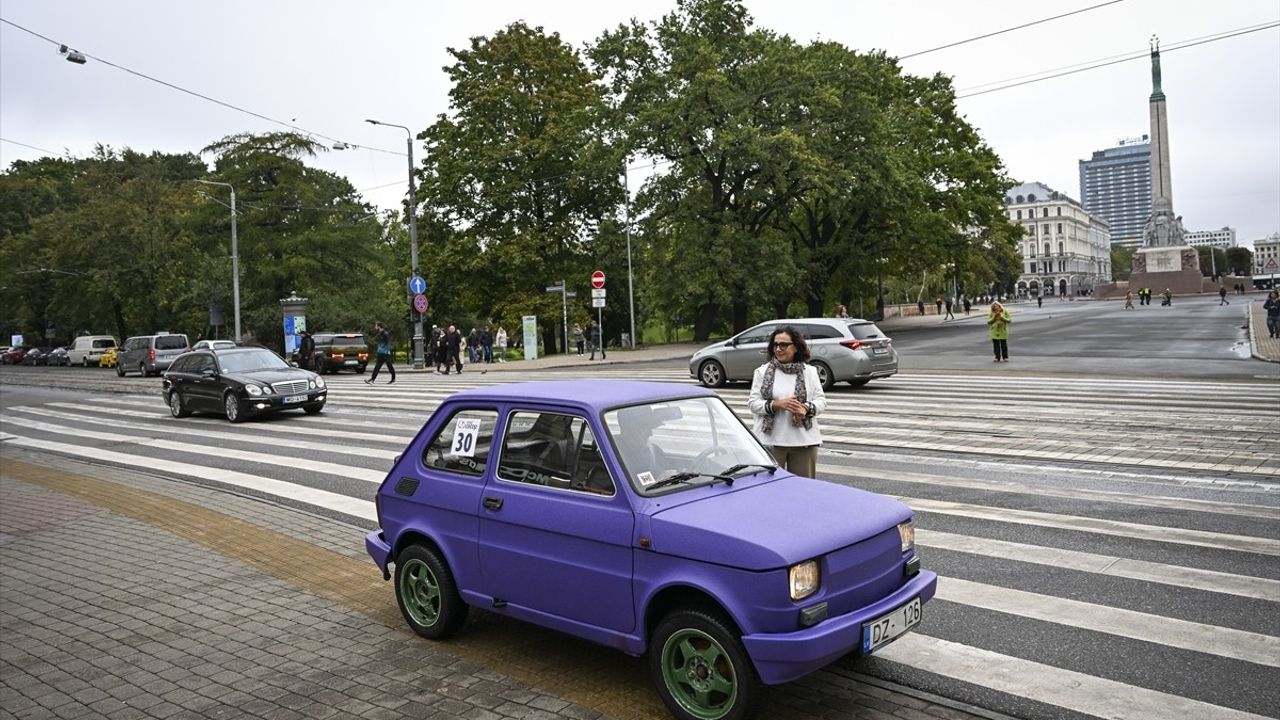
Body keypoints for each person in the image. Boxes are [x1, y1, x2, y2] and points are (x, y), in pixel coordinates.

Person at [747, 326, 826, 477]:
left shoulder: (809, 371)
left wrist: (806, 408)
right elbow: (753, 403)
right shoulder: (762, 372)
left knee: (803, 491)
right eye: (775, 345)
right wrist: (776, 405)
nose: (778, 349)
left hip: (804, 441)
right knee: (770, 492)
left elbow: (821, 401)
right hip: (771, 441)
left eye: (783, 345)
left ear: (796, 347)